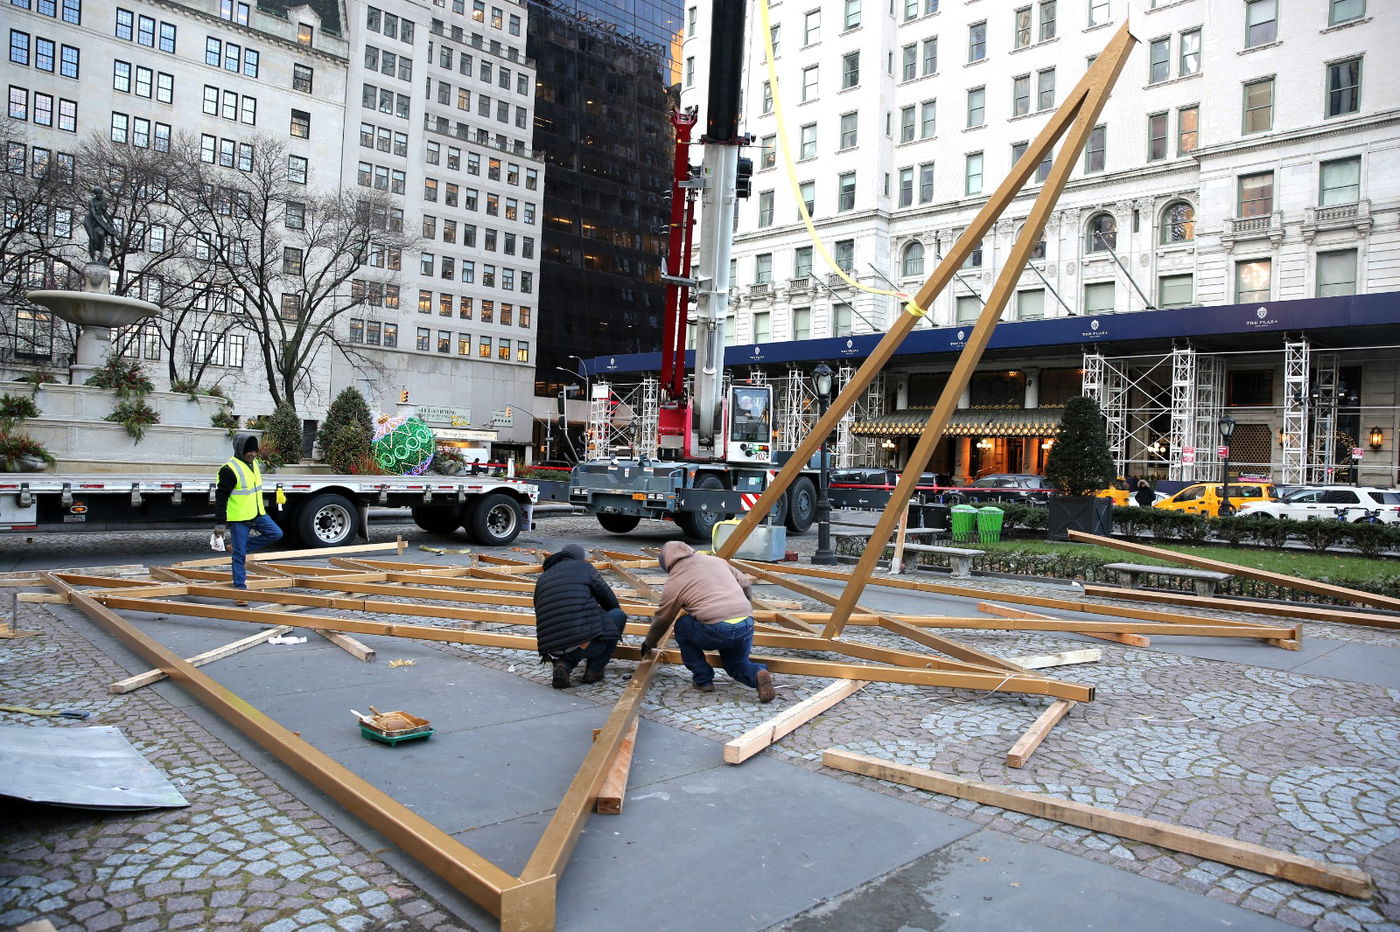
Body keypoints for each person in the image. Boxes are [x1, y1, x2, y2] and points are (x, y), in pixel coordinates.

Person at [641, 541, 775, 703]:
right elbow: (745, 583)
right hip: (745, 623)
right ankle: (756, 674)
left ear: (667, 562)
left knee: (682, 625)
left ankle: (703, 679)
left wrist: (650, 642)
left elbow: (663, 617)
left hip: (715, 628)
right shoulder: (716, 561)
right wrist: (743, 606)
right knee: (735, 663)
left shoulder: (676, 579)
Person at [533, 544, 627, 688]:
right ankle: (594, 671)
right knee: (618, 615)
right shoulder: (584, 568)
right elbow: (610, 601)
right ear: (580, 559)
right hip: (581, 644)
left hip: (552, 649)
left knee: (571, 635)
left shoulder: (542, 578)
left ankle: (563, 664)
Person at [214, 434, 283, 602]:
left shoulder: (254, 465)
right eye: (249, 451)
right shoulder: (229, 469)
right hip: (239, 518)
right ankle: (240, 591)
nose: (252, 454)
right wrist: (220, 523)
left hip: (257, 513)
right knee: (239, 556)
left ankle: (240, 547)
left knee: (276, 534)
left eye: (254, 450)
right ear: (240, 450)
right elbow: (221, 497)